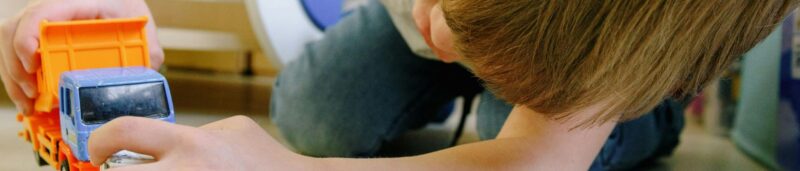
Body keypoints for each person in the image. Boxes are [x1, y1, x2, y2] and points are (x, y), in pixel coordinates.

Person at [1, 0, 795, 170]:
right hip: (392, 22)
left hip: (590, 74)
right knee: (311, 111)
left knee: (507, 134)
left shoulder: (622, 39)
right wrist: (53, 23)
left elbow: (531, 162)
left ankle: (636, 122)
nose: (444, 31)